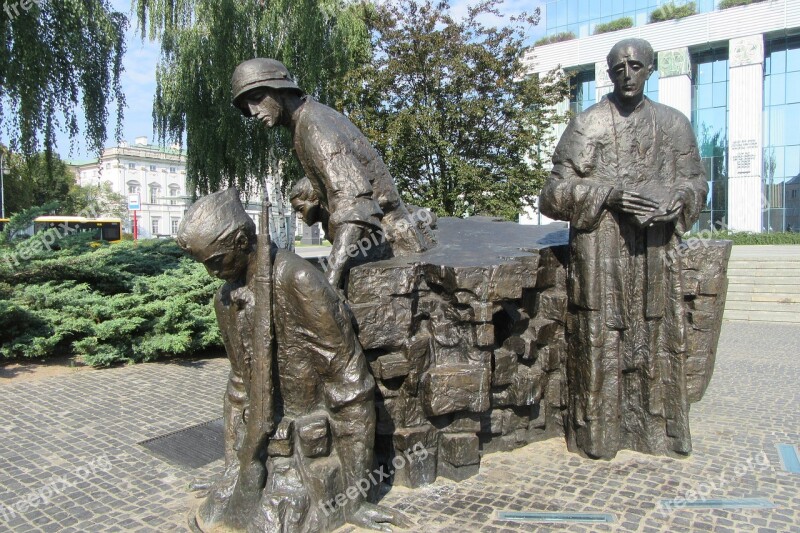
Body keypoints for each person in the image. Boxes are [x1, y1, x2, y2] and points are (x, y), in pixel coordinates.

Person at [176, 188, 406, 532]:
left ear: (242, 241)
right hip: (259, 439)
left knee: (276, 522)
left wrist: (355, 495)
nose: (212, 273)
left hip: (307, 445)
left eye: (216, 261)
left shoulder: (299, 280)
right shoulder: (225, 299)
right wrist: (232, 467)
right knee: (218, 512)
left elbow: (351, 387)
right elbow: (239, 386)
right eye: (205, 264)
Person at [539, 38, 708, 459]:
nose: (627, 75)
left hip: (654, 254)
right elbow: (551, 194)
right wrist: (607, 194)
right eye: (618, 68)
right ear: (609, 73)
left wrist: (680, 199)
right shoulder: (589, 124)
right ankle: (600, 436)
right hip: (602, 257)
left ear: (650, 69)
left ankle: (655, 434)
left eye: (635, 66)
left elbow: (697, 182)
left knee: (656, 338)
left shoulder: (673, 124)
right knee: (602, 343)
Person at [231, 58, 434, 290]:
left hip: (390, 252)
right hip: (382, 248)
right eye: (248, 106)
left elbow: (355, 207)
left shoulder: (315, 127)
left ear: (280, 89)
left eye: (257, 98)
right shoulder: (307, 123)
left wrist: (331, 280)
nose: (254, 111)